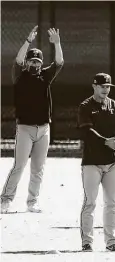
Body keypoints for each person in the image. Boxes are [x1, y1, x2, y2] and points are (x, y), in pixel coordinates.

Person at [1, 25, 64, 213]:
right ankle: (5, 199)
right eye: (32, 61)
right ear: (27, 63)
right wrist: (28, 41)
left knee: (38, 168)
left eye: (38, 61)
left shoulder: (45, 76)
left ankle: (32, 202)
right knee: (19, 166)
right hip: (25, 128)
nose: (35, 64)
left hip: (44, 128)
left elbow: (59, 62)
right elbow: (18, 59)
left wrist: (58, 43)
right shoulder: (20, 76)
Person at [78, 73, 115, 252]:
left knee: (112, 203)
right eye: (102, 86)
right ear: (94, 86)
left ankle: (112, 242)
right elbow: (87, 130)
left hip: (112, 162)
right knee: (90, 202)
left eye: (108, 87)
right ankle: (87, 241)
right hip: (92, 162)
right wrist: (105, 141)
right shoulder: (85, 106)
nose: (105, 90)